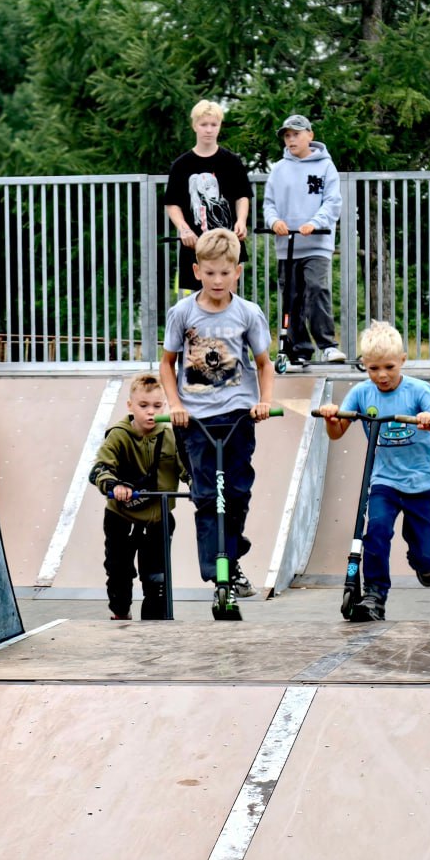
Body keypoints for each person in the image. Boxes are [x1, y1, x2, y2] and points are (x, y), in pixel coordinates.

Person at [159, 228, 274, 603]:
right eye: (210, 273)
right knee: (208, 496)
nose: (217, 280)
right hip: (196, 421)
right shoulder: (183, 313)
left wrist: (263, 401)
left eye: (225, 272)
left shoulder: (248, 313)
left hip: (238, 417)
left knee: (237, 494)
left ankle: (230, 552)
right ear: (196, 271)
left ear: (237, 272)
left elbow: (263, 364)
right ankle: (219, 573)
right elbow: (166, 364)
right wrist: (175, 405)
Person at [315, 321, 430, 622]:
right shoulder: (362, 393)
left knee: (424, 555)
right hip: (384, 482)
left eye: (389, 367)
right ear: (364, 365)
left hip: (421, 484)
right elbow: (337, 432)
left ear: (403, 360)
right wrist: (330, 416)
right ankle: (375, 595)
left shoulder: (419, 391)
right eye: (373, 368)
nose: (382, 375)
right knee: (375, 532)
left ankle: (425, 561)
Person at [88, 373, 188, 620]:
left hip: (157, 518)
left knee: (157, 577)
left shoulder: (171, 436)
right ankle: (121, 611)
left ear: (164, 406)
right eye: (143, 406)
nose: (150, 413)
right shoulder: (119, 435)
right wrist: (113, 484)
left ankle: (154, 624)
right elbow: (100, 468)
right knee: (119, 571)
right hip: (121, 515)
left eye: (157, 406)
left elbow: (187, 467)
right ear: (130, 406)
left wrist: (200, 485)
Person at [262, 113, 345, 364]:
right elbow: (269, 204)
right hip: (287, 245)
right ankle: (298, 348)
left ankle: (327, 344)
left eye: (296, 134)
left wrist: (314, 223)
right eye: (287, 136)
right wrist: (274, 222)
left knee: (317, 288)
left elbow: (332, 202)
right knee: (291, 296)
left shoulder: (325, 166)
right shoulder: (278, 169)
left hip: (316, 244)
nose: (291, 140)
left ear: (310, 135)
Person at [165, 100, 252, 293]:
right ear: (195, 125)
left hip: (228, 244)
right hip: (194, 245)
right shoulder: (181, 165)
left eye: (214, 124)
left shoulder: (232, 161)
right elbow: (172, 203)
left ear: (220, 126)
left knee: (228, 300)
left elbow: (242, 196)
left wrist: (241, 221)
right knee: (195, 307)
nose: (209, 130)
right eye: (204, 124)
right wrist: (184, 229)